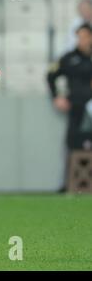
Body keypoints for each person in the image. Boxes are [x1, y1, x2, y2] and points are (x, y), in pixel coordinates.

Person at [47, 23, 92, 192]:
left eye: (85, 36)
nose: (81, 40)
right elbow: (51, 75)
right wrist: (56, 96)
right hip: (77, 109)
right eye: (79, 37)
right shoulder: (69, 58)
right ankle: (70, 183)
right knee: (72, 145)